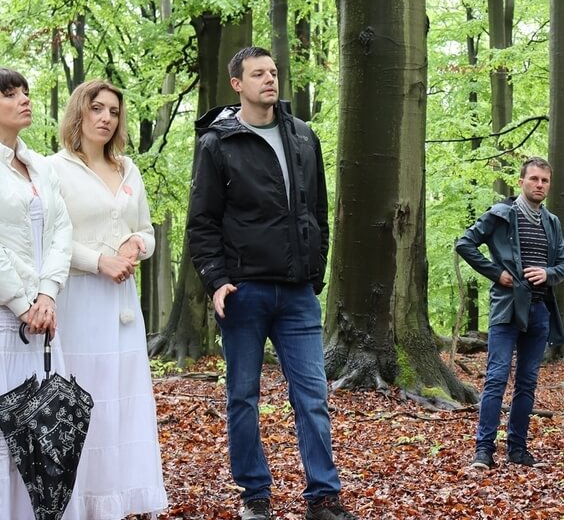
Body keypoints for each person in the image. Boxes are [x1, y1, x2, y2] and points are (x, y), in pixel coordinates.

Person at [186, 47, 356, 520]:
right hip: (244, 292)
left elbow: (319, 209)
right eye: (258, 73)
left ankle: (323, 496)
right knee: (243, 395)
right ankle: (254, 494)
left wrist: (316, 269)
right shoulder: (218, 143)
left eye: (274, 72)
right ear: (236, 83)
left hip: (299, 294)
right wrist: (217, 280)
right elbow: (202, 222)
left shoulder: (303, 137)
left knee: (313, 397)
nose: (269, 80)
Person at [49, 80, 168, 518]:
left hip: (123, 306)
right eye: (96, 108)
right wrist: (99, 260)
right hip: (79, 300)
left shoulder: (128, 168)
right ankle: (77, 503)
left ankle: (115, 501)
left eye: (114, 111)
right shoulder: (52, 169)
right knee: (84, 401)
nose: (105, 118)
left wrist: (135, 245)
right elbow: (53, 241)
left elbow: (147, 230)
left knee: (123, 400)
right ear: (78, 114)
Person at [455, 156, 564, 469]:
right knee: (495, 378)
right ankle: (483, 451)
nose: (539, 185)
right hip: (506, 309)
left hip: (539, 312)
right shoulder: (501, 214)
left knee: (527, 382)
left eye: (544, 180)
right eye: (533, 179)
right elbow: (465, 243)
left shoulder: (552, 222)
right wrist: (496, 273)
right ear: (521, 181)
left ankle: (517, 450)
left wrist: (547, 273)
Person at [0, 68, 73, 518]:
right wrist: (21, 303)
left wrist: (47, 295)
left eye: (26, 92)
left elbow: (61, 231)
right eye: (10, 94)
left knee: (42, 433)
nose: (24, 99)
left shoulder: (40, 165)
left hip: (42, 321)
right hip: (8, 317)